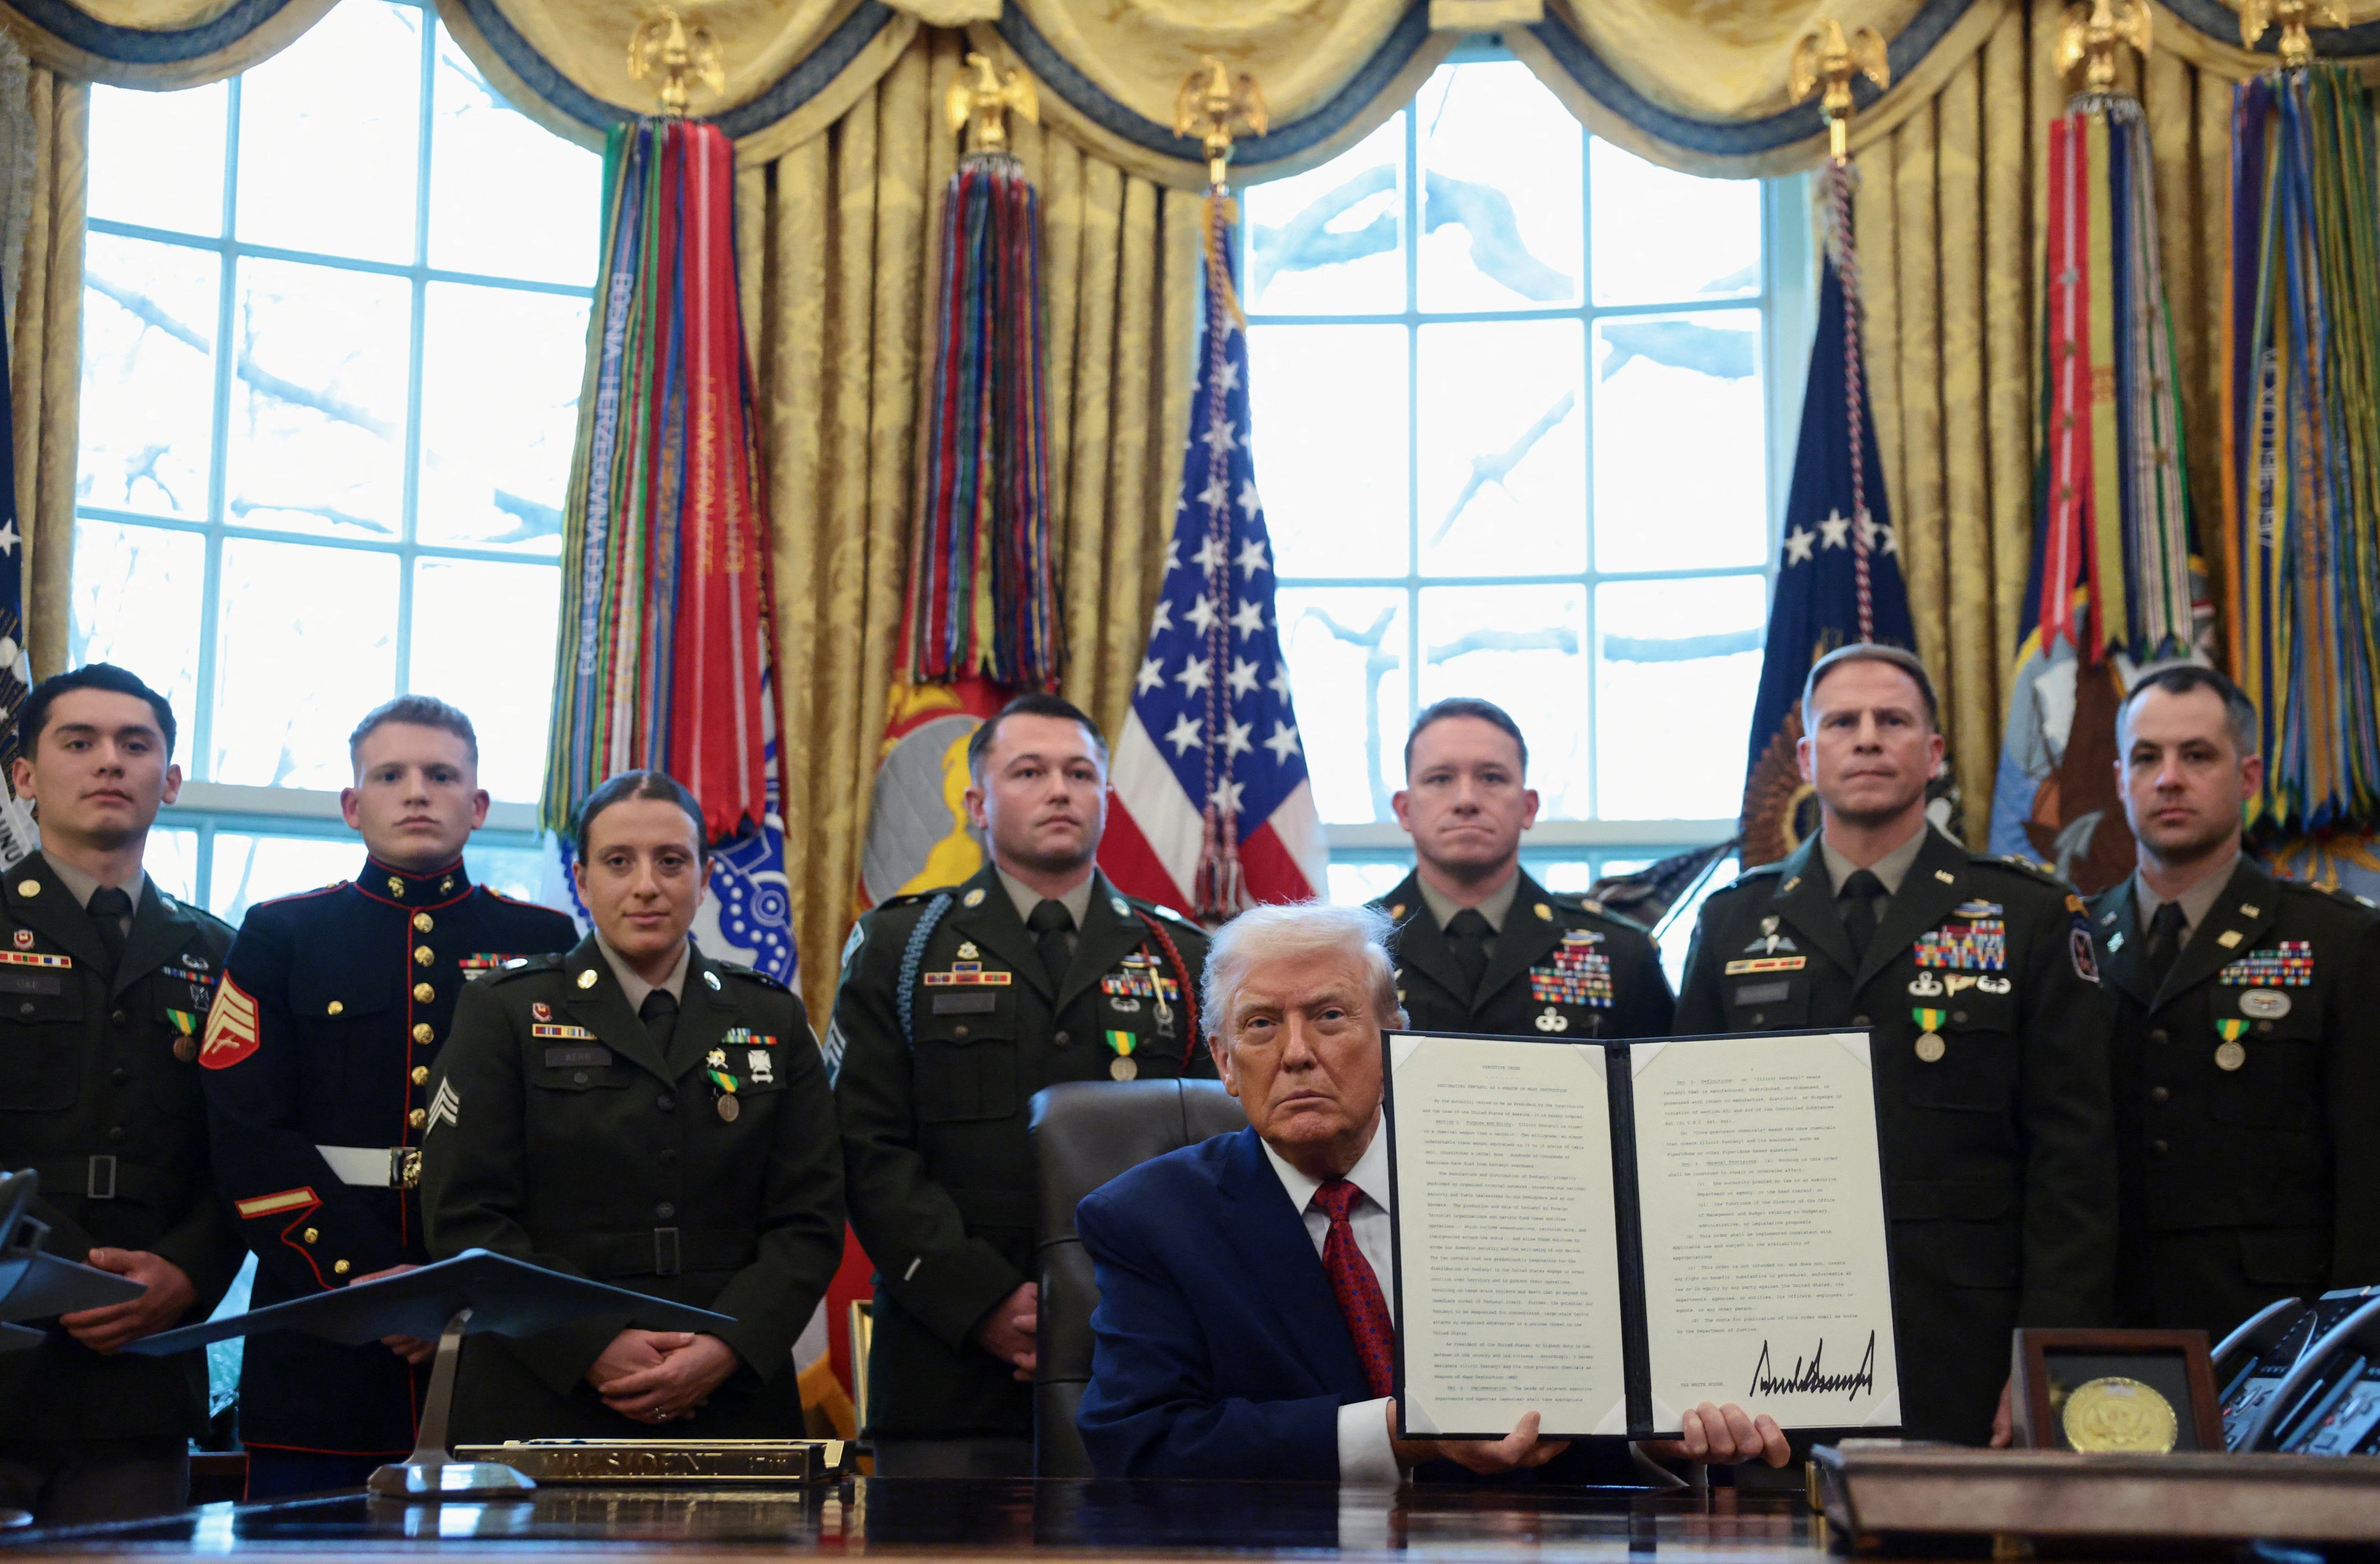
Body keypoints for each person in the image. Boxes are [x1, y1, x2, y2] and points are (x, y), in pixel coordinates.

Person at [1073, 900, 1788, 1482]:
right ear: (1225, 1064)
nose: (1295, 1053)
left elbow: (1582, 1396)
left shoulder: (1527, 1185)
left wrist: (1655, 1438)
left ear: (1394, 1039)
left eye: (1329, 1016)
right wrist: (1397, 1433)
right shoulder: (1150, 1220)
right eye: (1261, 1025)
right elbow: (1138, 1443)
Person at [1675, 643, 2117, 1447]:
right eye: (1843, 722)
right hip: (1768, 1348)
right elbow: (1684, 1162)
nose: (1869, 738)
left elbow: (2075, 1167)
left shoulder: (2028, 917)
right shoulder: (1733, 922)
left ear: (1934, 753)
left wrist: (2046, 1362)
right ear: (1808, 756)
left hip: (1964, 1348)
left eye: (1894, 720)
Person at [199, 697, 578, 1497]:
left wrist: (459, 1285)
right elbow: (247, 1129)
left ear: (477, 807)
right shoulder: (282, 934)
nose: (417, 793)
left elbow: (576, 1141)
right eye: (391, 775)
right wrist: (364, 1282)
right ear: (352, 804)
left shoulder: (546, 946)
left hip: (495, 1336)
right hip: (322, 1321)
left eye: (442, 775)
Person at [832, 693, 1210, 1477]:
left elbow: (1214, 1157)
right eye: (1029, 771)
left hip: (1141, 1365)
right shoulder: (900, 948)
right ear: (977, 802)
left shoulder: (1183, 956)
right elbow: (867, 1150)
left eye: (1080, 772)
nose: (1059, 790)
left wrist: (1117, 1313)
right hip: (949, 1371)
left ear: (1107, 795)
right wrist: (981, 1304)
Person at [418, 770, 843, 1440]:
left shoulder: (772, 1016)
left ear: (703, 880)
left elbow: (809, 1222)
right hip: (542, 1394)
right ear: (583, 881)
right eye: (619, 862)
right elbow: (466, 1217)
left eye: (672, 861)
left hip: (729, 1397)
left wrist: (724, 1348)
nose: (647, 884)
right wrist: (589, 1345)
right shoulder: (504, 1011)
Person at [0, 665, 242, 1524]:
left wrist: (189, 1272)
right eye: (79, 742)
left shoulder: (221, 955)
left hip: (144, 1371)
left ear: (169, 780)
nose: (110, 762)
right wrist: (62, 1270)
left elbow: (246, 1150)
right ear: (24, 775)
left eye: (135, 745)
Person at [2090, 665, 2380, 1337]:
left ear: (2247, 777)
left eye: (2196, 755)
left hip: (2275, 1330)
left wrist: (2352, 1348)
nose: (2168, 778)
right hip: (2105, 1327)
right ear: (2119, 781)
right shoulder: (2069, 939)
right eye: (2146, 757)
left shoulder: (2337, 942)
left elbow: (2367, 1176)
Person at [1371, 699, 1671, 1040]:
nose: (1466, 800)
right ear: (1405, 810)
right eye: (1440, 779)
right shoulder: (1354, 950)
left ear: (1529, 808)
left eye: (1492, 777)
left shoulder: (1621, 952)